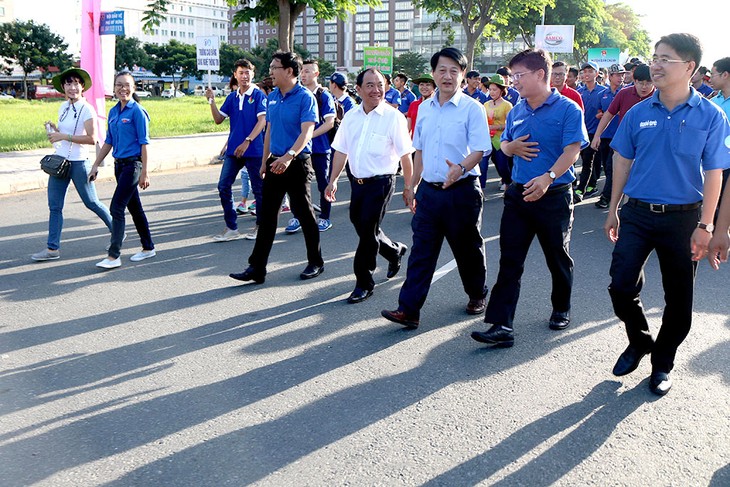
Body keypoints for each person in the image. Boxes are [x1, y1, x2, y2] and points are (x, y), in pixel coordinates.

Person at [605, 33, 730, 396]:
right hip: (638, 214)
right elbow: (622, 160)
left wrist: (707, 226)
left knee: (679, 299)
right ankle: (641, 339)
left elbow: (715, 173)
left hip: (684, 220)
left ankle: (662, 363)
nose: (655, 64)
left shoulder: (711, 116)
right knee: (620, 285)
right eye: (654, 57)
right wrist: (613, 209)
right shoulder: (637, 112)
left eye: (666, 59)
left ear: (690, 67)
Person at [471, 49, 588, 348]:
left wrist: (548, 177)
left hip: (554, 195)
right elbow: (505, 142)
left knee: (557, 257)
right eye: (513, 77)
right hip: (518, 194)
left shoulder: (568, 110)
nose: (514, 82)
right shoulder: (518, 110)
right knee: (510, 260)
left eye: (519, 76)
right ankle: (501, 325)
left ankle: (561, 307)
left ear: (540, 74)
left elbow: (572, 150)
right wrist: (510, 149)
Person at [381, 47, 491, 329]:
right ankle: (409, 310)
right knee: (422, 252)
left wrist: (460, 168)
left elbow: (480, 149)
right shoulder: (424, 109)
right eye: (442, 70)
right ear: (433, 73)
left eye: (454, 71)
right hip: (429, 192)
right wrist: (412, 185)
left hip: (462, 191)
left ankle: (477, 293)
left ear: (463, 76)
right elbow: (420, 150)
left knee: (467, 249)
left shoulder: (472, 108)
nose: (447, 76)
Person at [229, 51, 323, 284]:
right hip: (274, 163)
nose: (270, 72)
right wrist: (264, 161)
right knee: (267, 216)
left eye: (274, 67)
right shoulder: (272, 97)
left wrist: (290, 156)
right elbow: (268, 130)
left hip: (297, 162)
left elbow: (307, 131)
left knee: (303, 213)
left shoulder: (305, 97)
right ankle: (257, 268)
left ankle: (316, 261)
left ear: (289, 71)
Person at [325, 68, 414, 303]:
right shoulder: (351, 117)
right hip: (358, 183)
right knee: (363, 226)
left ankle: (364, 282)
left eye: (381, 85)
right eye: (370, 85)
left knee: (366, 234)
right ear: (359, 89)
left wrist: (409, 186)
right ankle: (394, 250)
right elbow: (341, 151)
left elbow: (406, 155)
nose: (377, 90)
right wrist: (332, 180)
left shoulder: (393, 117)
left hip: (382, 182)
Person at [31, 67, 113, 262]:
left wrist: (63, 135)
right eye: (68, 83)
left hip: (79, 163)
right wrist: (54, 130)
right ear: (64, 87)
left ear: (82, 86)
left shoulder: (87, 109)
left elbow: (92, 139)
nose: (72, 87)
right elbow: (65, 136)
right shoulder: (63, 107)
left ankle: (117, 230)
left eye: (76, 83)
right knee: (55, 206)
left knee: (91, 202)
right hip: (60, 163)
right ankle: (52, 249)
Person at [90, 71, 156, 269]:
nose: (123, 89)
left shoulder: (137, 111)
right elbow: (108, 141)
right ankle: (148, 247)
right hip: (119, 166)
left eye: (127, 85)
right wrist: (95, 164)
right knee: (134, 208)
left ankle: (113, 255)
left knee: (116, 207)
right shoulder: (113, 112)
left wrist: (145, 171)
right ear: (114, 88)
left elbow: (144, 143)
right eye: (119, 85)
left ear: (134, 88)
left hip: (133, 166)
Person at [207, 59, 267, 242]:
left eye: (247, 72)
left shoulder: (258, 95)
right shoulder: (232, 97)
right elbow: (218, 119)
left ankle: (261, 227)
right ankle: (231, 227)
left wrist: (248, 141)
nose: (244, 76)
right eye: (241, 72)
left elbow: (262, 121)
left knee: (259, 190)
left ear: (253, 75)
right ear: (235, 75)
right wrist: (211, 101)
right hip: (234, 151)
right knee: (223, 186)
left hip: (254, 150)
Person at [591, 64, 654, 209]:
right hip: (623, 145)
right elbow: (608, 114)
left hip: (647, 148)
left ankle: (631, 208)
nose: (644, 87)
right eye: (640, 83)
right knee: (614, 173)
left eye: (648, 83)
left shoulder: (660, 97)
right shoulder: (624, 94)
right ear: (634, 80)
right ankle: (612, 202)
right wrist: (597, 135)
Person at [589, 64, 625, 209]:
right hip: (605, 136)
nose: (620, 77)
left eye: (622, 74)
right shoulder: (601, 95)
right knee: (607, 166)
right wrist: (601, 115)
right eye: (617, 74)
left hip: (621, 137)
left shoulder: (627, 92)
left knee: (612, 168)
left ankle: (606, 196)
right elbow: (598, 112)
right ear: (609, 76)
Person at [574, 62, 608, 201]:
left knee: (589, 161)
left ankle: (583, 188)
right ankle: (588, 184)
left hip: (596, 132)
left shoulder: (603, 91)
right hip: (581, 131)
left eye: (590, 71)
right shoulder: (579, 92)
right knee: (584, 160)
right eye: (584, 71)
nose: (586, 74)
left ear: (597, 73)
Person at [483, 74, 513, 191]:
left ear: (502, 90)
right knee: (483, 164)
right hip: (487, 139)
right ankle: (481, 188)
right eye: (490, 89)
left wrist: (495, 126)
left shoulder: (507, 105)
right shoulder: (485, 104)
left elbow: (510, 125)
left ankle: (507, 181)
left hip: (501, 139)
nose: (492, 92)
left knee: (501, 164)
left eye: (494, 89)